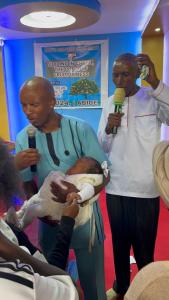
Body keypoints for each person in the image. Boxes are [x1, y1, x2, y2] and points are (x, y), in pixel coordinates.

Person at [15, 76, 109, 300]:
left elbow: (104, 174)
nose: (28, 111)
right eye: (24, 105)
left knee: (93, 285)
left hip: (85, 220)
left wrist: (78, 196)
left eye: (34, 104)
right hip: (49, 224)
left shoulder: (80, 129)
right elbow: (28, 184)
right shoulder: (23, 138)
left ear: (51, 102)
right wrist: (41, 206)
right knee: (54, 283)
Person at [98, 53, 169, 299]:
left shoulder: (151, 98)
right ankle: (121, 287)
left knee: (144, 248)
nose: (119, 79)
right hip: (116, 186)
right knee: (118, 245)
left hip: (145, 188)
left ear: (137, 74)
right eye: (115, 74)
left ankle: (146, 289)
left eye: (125, 74)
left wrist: (156, 82)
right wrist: (109, 128)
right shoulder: (109, 103)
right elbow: (102, 146)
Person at [0, 139, 81, 299]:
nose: (29, 112)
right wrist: (67, 222)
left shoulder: (8, 228)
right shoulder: (16, 279)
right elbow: (69, 289)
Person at [15, 157, 108, 235]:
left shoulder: (83, 180)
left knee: (33, 209)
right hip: (45, 197)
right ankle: (20, 212)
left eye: (75, 166)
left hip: (52, 208)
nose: (71, 167)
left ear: (85, 174)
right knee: (32, 200)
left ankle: (21, 224)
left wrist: (79, 195)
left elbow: (89, 189)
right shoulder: (70, 176)